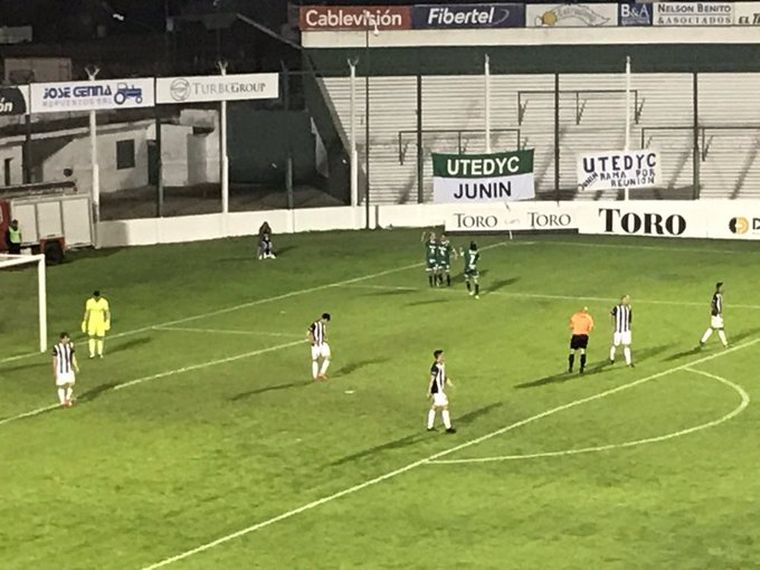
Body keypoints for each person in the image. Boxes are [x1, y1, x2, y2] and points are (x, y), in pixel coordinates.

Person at [426, 349, 456, 433]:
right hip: (437, 390)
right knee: (445, 406)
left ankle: (430, 426)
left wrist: (448, 382)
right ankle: (448, 427)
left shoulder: (442, 365)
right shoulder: (435, 367)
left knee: (434, 406)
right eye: (442, 356)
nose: (443, 357)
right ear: (438, 357)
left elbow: (443, 375)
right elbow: (432, 380)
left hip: (440, 390)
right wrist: (429, 391)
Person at [52, 332, 79, 407]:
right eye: (65, 338)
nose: (67, 340)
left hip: (69, 369)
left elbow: (73, 357)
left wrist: (76, 366)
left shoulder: (71, 346)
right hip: (60, 370)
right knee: (61, 386)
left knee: (71, 383)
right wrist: (54, 370)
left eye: (67, 338)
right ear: (61, 339)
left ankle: (67, 398)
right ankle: (62, 401)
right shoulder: (56, 347)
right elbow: (55, 359)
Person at [82, 290, 111, 359]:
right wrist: (84, 321)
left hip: (100, 321)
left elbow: (107, 312)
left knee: (100, 337)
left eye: (98, 297)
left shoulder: (104, 302)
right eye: (95, 297)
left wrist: (107, 321)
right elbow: (87, 312)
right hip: (92, 321)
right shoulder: (89, 302)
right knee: (91, 336)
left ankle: (100, 353)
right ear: (93, 296)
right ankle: (92, 353)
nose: (96, 298)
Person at [700, 282, 728, 349]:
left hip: (714, 314)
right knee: (721, 328)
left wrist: (713, 311)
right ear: (719, 288)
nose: (723, 289)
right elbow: (716, 305)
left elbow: (712, 304)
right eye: (722, 287)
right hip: (717, 314)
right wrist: (719, 313)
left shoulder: (715, 295)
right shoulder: (718, 296)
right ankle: (725, 344)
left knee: (712, 328)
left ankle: (702, 340)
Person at [609, 295, 634, 367]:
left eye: (628, 299)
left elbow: (629, 319)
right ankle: (612, 358)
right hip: (618, 331)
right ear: (622, 300)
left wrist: (629, 327)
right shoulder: (617, 308)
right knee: (615, 344)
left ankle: (629, 362)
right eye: (626, 299)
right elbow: (611, 314)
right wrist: (613, 325)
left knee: (627, 345)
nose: (627, 301)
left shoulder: (629, 308)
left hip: (626, 331)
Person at [568, 306, 594, 374]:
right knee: (583, 351)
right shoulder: (589, 317)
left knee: (572, 351)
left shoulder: (575, 316)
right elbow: (590, 328)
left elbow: (571, 326)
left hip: (576, 335)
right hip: (584, 335)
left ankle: (570, 367)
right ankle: (581, 368)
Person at [308, 313, 331, 381]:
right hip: (316, 345)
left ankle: (321, 373)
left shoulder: (323, 325)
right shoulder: (315, 324)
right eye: (326, 321)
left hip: (322, 344)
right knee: (315, 360)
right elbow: (308, 333)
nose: (326, 322)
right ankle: (315, 376)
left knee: (328, 357)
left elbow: (322, 333)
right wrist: (312, 341)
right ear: (324, 319)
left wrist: (324, 338)